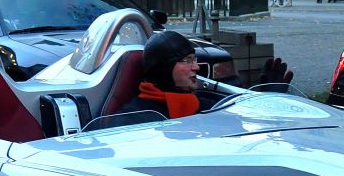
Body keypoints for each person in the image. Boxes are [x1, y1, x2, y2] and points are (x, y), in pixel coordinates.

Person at [115, 29, 294, 120]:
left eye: (194, 60)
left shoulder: (203, 103)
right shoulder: (134, 116)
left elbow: (244, 125)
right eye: (187, 61)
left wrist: (266, 98)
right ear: (163, 68)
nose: (196, 67)